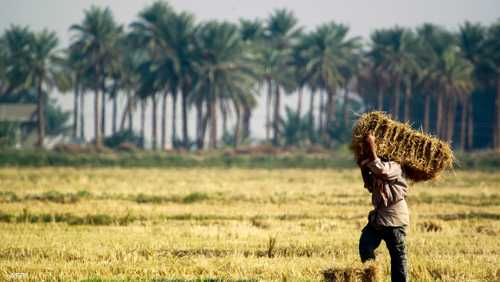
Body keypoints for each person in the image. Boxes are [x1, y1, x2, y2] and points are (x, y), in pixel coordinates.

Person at [357, 133, 409, 282]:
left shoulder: (395, 166)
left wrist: (371, 145)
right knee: (365, 245)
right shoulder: (375, 166)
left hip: (395, 219)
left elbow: (382, 170)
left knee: (397, 256)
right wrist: (363, 166)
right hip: (379, 219)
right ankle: (371, 277)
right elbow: (369, 185)